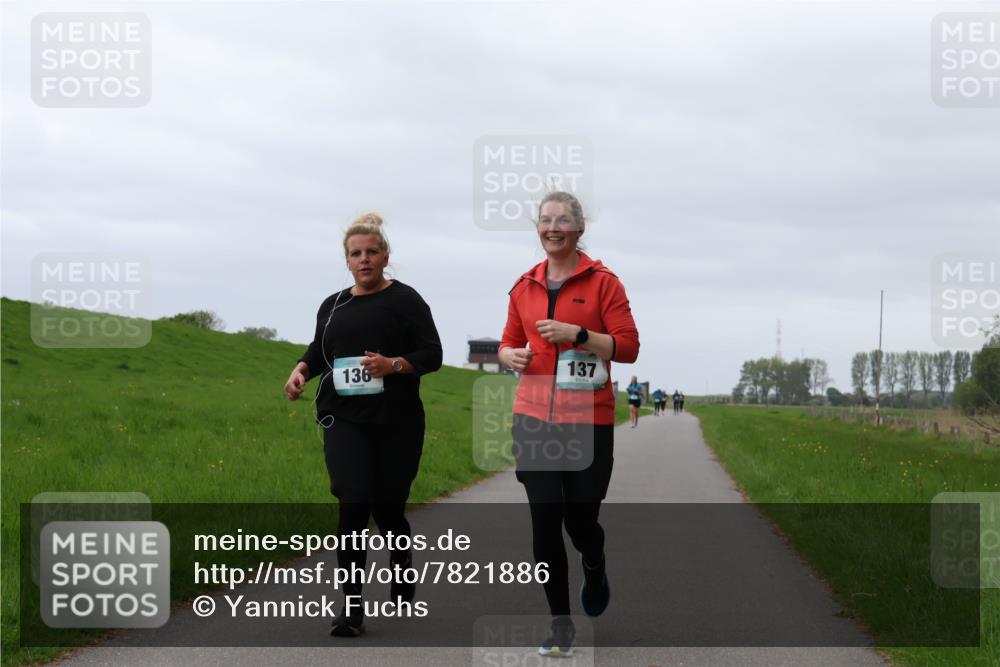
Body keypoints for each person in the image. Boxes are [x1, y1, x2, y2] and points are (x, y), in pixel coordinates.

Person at [284, 213, 442, 637]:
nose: (365, 259)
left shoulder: (406, 300)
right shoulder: (333, 305)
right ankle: (351, 608)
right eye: (357, 253)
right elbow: (321, 348)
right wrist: (300, 370)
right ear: (347, 261)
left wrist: (392, 365)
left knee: (389, 510)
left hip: (398, 422)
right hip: (344, 418)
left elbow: (432, 354)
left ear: (385, 256)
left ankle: (402, 565)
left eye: (372, 252)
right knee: (353, 502)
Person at [498, 191, 639, 657]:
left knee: (581, 521)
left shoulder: (604, 283)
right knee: (544, 522)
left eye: (562, 220)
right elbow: (507, 343)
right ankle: (561, 625)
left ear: (580, 229)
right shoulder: (523, 286)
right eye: (544, 220)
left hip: (589, 421)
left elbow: (627, 347)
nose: (552, 227)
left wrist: (579, 334)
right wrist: (510, 356)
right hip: (534, 419)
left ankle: (594, 562)